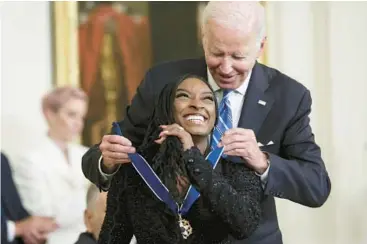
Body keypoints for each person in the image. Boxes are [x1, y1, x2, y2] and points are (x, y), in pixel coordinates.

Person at [82, 2, 331, 243]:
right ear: (204, 39)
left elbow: (316, 185)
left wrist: (262, 162)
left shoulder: (288, 96)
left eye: (238, 56)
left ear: (261, 46)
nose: (226, 67)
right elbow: (101, 156)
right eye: (217, 53)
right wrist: (107, 162)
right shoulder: (161, 82)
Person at [98, 75, 263, 243]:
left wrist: (192, 155)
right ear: (166, 108)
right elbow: (112, 237)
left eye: (207, 99)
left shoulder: (235, 167)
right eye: (183, 96)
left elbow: (245, 225)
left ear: (216, 115)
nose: (197, 105)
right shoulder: (135, 171)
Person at [13, 86, 90, 244]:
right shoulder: (30, 160)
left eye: (82, 117)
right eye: (71, 115)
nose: (78, 123)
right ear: (49, 114)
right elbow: (44, 216)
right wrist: (90, 200)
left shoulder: (86, 155)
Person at [1, 152, 58, 244]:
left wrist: (34, 230)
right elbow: (20, 227)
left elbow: (16, 210)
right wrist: (18, 229)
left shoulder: (2, 161)